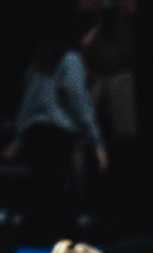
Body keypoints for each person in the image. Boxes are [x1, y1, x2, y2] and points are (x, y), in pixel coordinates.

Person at [7, 39, 107, 241]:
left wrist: (19, 137)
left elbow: (29, 103)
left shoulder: (40, 59)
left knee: (43, 195)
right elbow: (78, 100)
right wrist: (96, 141)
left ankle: (45, 241)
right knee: (59, 197)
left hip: (37, 136)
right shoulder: (69, 59)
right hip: (58, 137)